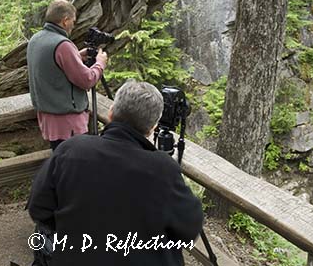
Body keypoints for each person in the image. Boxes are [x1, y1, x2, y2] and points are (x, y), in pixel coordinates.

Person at [27, 80, 204, 266]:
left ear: (111, 113)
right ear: (153, 127)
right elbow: (189, 229)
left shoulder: (70, 149)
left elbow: (39, 208)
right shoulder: (162, 169)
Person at [27, 0, 108, 150]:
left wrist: (76, 56)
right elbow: (87, 80)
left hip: (48, 118)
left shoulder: (36, 39)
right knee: (75, 166)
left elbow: (51, 66)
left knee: (61, 161)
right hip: (68, 122)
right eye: (73, 21)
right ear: (65, 21)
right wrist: (100, 63)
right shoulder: (62, 45)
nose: (73, 25)